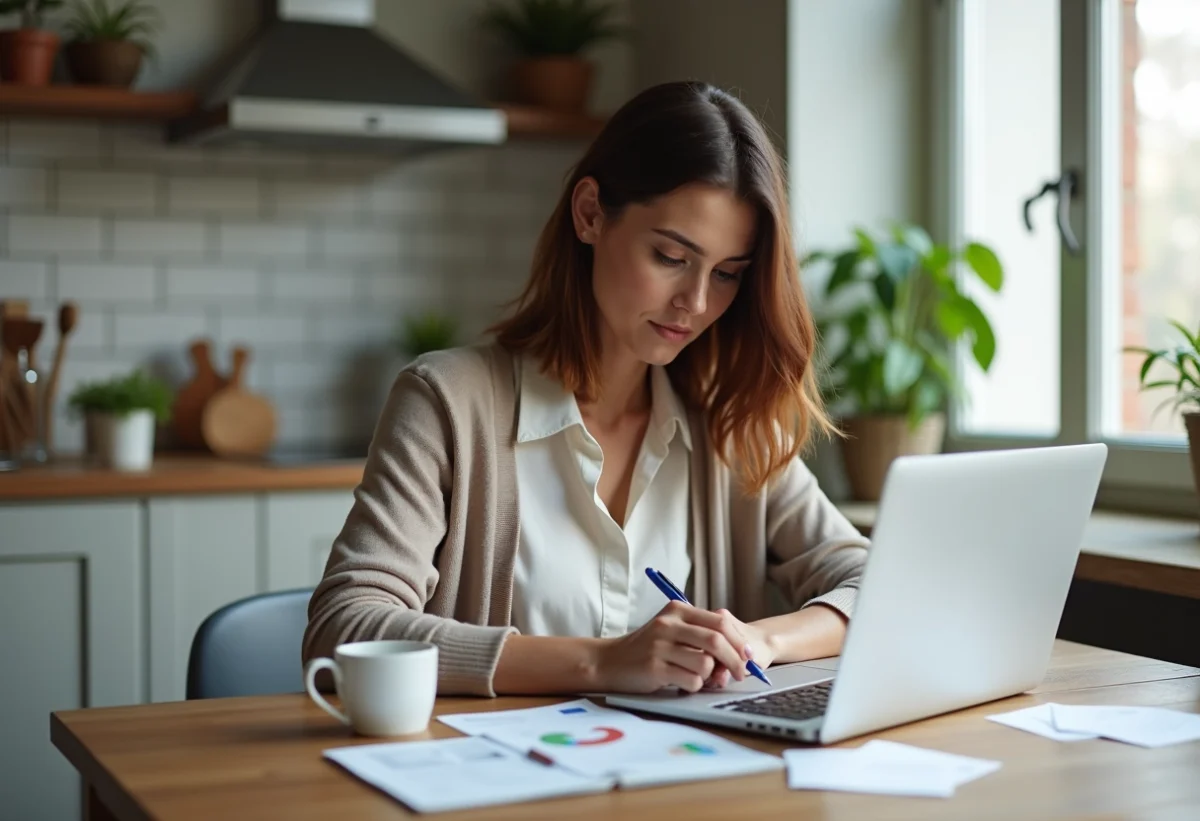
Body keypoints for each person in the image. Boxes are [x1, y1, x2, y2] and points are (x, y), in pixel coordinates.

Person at [303, 80, 869, 698]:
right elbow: (345, 626)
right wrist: (602, 662)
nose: (697, 303)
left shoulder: (728, 423)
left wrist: (763, 641)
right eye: (671, 257)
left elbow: (876, 581)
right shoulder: (446, 402)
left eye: (728, 274)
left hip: (684, 784)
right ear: (590, 214)